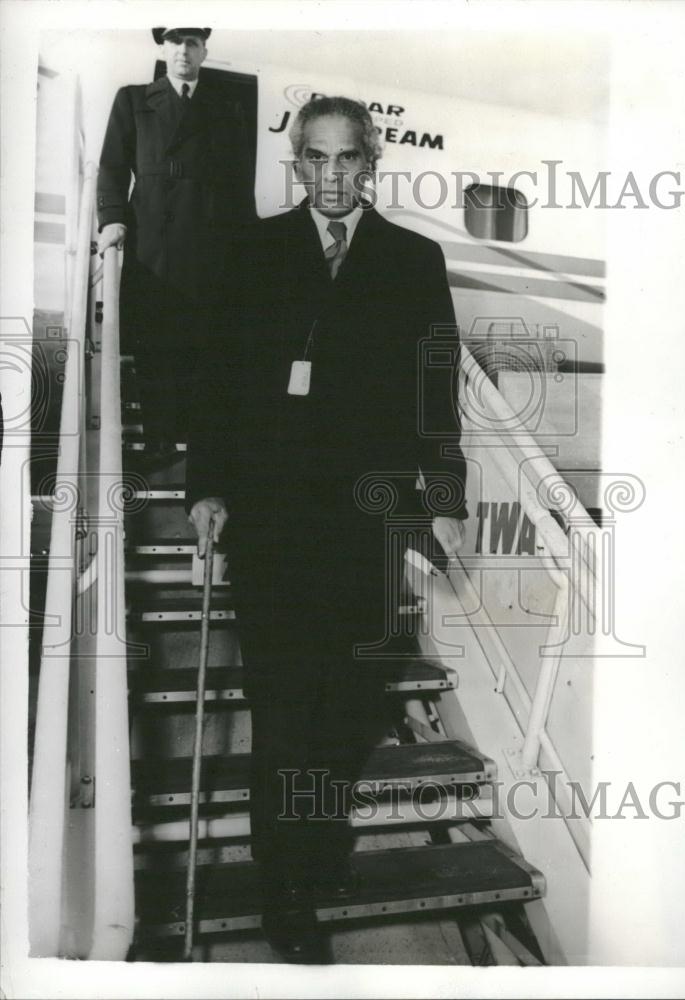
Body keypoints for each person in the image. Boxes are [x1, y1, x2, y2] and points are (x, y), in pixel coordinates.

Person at [187, 96, 468, 963]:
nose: (333, 175)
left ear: (371, 162)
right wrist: (208, 487)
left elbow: (435, 384)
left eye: (350, 159)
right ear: (297, 164)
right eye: (317, 158)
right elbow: (218, 379)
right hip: (273, 519)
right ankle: (286, 884)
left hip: (372, 521)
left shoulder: (413, 258)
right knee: (284, 706)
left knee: (346, 709)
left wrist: (446, 496)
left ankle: (319, 850)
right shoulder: (254, 250)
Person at [97, 26, 254, 462]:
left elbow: (240, 185)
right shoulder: (134, 99)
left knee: (202, 343)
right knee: (154, 340)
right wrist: (111, 220)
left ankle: (198, 445)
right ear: (163, 48)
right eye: (175, 42)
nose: (183, 51)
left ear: (204, 51)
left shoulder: (225, 109)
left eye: (192, 43)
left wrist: (248, 243)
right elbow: (112, 167)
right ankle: (161, 440)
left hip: (207, 243)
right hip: (153, 242)